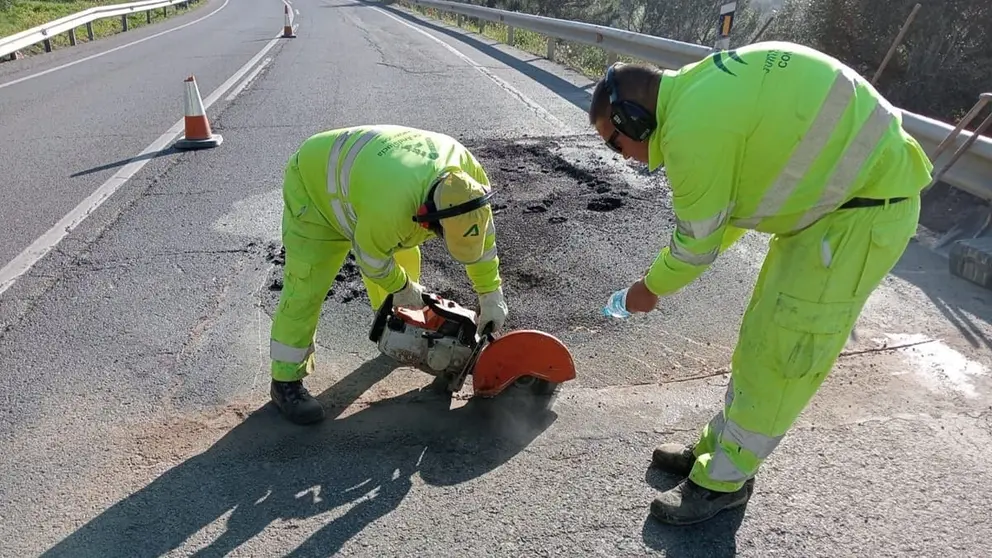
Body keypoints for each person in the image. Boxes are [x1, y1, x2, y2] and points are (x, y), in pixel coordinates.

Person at [588, 40, 934, 525]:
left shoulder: (691, 131)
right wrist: (659, 280)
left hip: (860, 213)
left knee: (783, 351)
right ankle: (718, 450)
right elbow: (726, 217)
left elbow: (696, 244)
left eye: (615, 143)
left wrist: (649, 289)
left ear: (634, 121)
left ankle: (722, 482)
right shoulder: (697, 92)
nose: (622, 157)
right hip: (829, 209)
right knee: (760, 338)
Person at [268, 124, 509, 425]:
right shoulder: (390, 208)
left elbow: (483, 242)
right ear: (428, 219)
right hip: (316, 189)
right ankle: (285, 382)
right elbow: (371, 259)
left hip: (374, 186)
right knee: (307, 283)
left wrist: (490, 293)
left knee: (405, 265)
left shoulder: (472, 182)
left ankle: (395, 332)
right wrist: (403, 288)